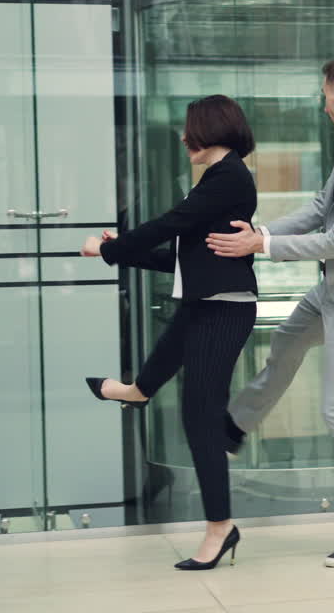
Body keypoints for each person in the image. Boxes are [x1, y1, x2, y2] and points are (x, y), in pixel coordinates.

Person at [205, 55, 334, 567]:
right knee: (287, 341)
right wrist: (264, 231)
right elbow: (322, 207)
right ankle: (234, 425)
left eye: (325, 96)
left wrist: (261, 247)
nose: (323, 108)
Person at [81, 94, 258, 570]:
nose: (184, 138)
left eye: (191, 129)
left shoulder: (228, 177)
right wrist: (120, 249)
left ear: (213, 129)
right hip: (201, 304)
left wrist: (108, 253)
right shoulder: (215, 180)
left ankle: (221, 529)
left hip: (224, 309)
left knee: (199, 414)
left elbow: (169, 226)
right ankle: (137, 391)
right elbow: (176, 256)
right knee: (161, 374)